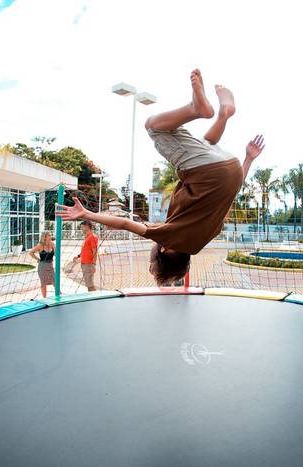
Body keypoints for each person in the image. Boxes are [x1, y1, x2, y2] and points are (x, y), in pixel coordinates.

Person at [56, 69, 264, 285]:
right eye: (153, 259)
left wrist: (247, 160)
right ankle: (196, 109)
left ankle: (224, 113)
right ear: (163, 251)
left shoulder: (202, 240)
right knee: (154, 127)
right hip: (207, 170)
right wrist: (87, 213)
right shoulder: (166, 237)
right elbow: (125, 223)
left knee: (204, 143)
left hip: (230, 169)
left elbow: (229, 196)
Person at [74, 220, 98, 291]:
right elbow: (85, 250)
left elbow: (95, 251)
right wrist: (78, 256)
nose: (81, 229)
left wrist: (93, 264)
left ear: (87, 227)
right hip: (84, 263)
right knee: (88, 284)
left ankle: (94, 299)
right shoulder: (87, 237)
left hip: (89, 264)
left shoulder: (92, 237)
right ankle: (92, 298)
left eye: (82, 227)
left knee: (90, 285)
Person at [29, 233, 55, 297]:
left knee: (55, 281)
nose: (50, 236)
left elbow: (56, 253)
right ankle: (44, 298)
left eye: (50, 235)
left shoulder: (52, 244)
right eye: (49, 235)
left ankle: (59, 294)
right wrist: (37, 259)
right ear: (45, 237)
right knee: (44, 283)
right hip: (42, 267)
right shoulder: (40, 245)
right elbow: (31, 252)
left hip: (50, 266)